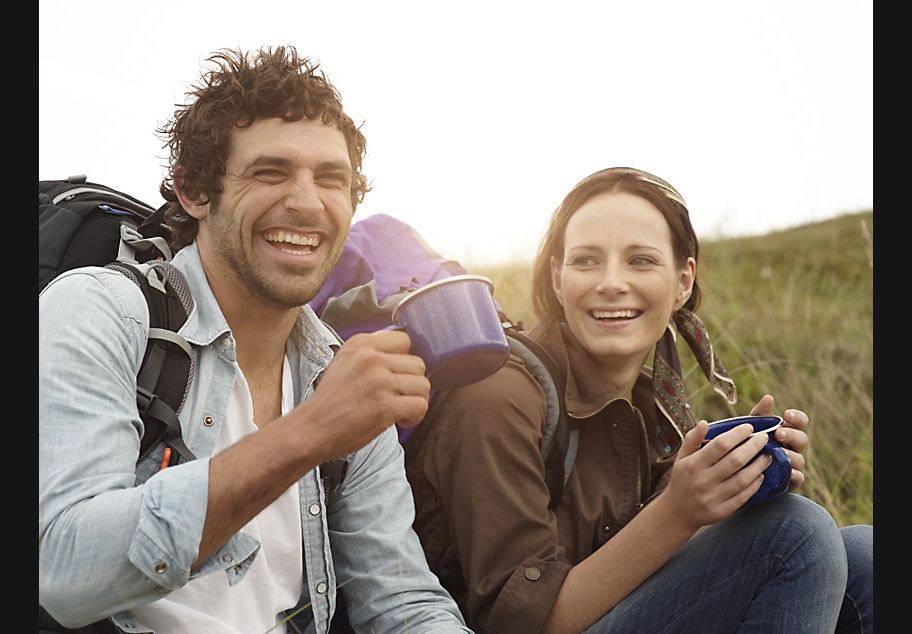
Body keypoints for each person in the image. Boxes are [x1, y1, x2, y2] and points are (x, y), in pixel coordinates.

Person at [38, 46, 472, 634]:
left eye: (331, 179)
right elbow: (63, 573)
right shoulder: (100, 310)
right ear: (192, 191)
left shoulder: (333, 372)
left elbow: (403, 604)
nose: (307, 202)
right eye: (270, 172)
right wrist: (310, 432)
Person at [403, 167, 873, 633]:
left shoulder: (656, 405)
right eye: (586, 260)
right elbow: (521, 622)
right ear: (556, 278)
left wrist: (730, 493)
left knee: (866, 560)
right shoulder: (497, 396)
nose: (611, 282)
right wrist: (678, 511)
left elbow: (648, 569)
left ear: (683, 281)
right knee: (796, 535)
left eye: (641, 261)